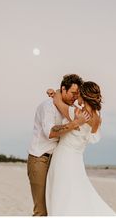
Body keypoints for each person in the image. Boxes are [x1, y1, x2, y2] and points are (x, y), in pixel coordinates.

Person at [45, 81, 116, 216]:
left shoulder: (76, 112)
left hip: (64, 157)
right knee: (76, 191)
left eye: (78, 93)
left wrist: (55, 91)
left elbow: (57, 101)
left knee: (61, 194)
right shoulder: (97, 118)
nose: (76, 95)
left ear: (83, 96)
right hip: (77, 159)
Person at [27, 74, 91, 216]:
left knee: (54, 206)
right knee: (41, 210)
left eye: (77, 94)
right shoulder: (47, 106)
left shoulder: (67, 106)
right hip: (40, 159)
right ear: (63, 89)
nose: (75, 97)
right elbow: (50, 132)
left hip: (57, 162)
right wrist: (74, 124)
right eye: (73, 93)